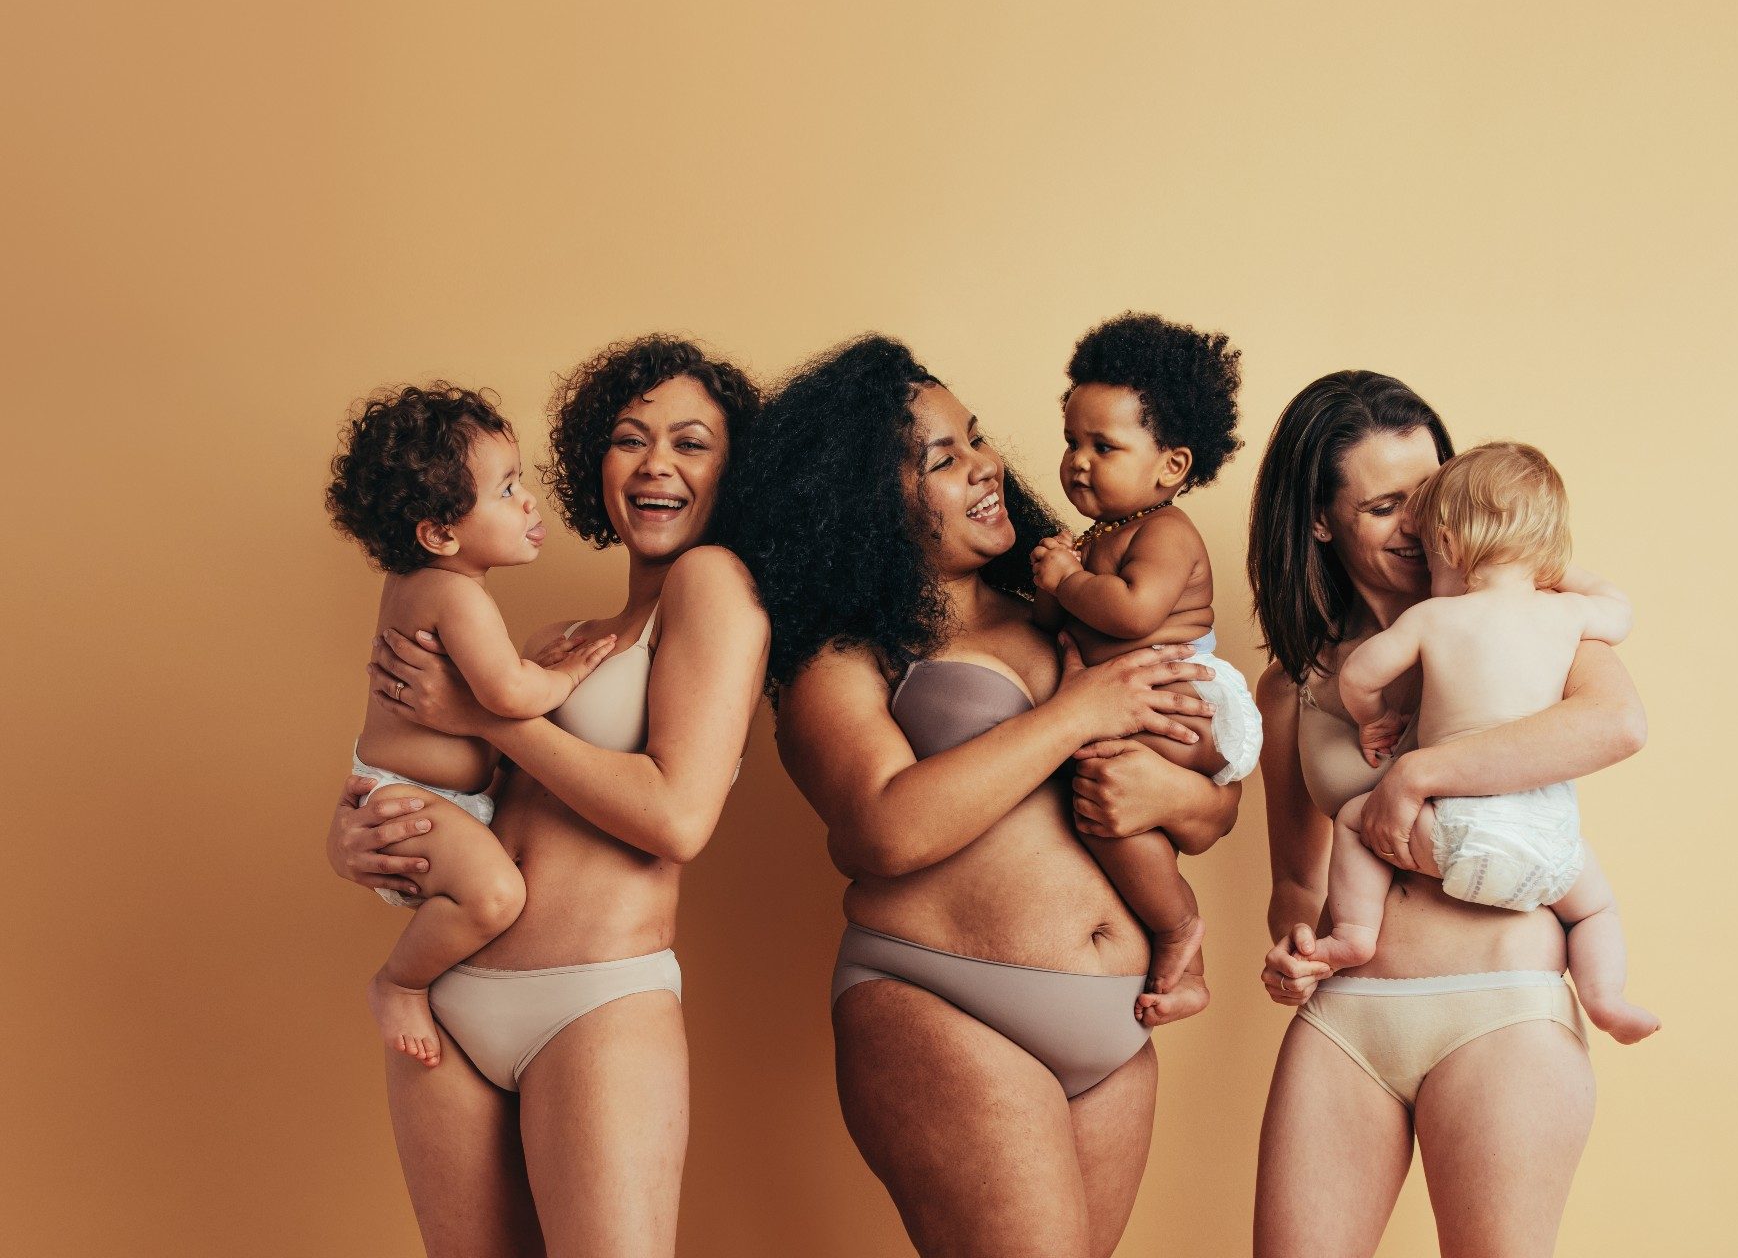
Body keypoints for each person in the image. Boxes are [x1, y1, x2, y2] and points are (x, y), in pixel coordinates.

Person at [729, 335, 1240, 1258]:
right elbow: (880, 829)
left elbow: (1208, 814)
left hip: (1114, 1032)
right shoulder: (840, 656)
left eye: (975, 437)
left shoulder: (1073, 605)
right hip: (940, 1002)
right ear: (865, 497)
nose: (987, 463)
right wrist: (1079, 712)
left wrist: (1173, 792)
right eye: (943, 456)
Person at [326, 336, 768, 1256]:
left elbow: (676, 819)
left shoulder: (714, 586)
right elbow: (450, 784)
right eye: (629, 438)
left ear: (740, 471)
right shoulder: (558, 636)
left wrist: (492, 721)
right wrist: (352, 837)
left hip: (593, 1004)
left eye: (691, 443)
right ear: (592, 462)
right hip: (452, 1000)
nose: (655, 464)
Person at [1247, 371, 1647, 1258]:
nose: (1418, 527)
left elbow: (1616, 724)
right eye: (1385, 506)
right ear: (1320, 521)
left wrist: (1413, 773)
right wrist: (1291, 947)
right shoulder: (1296, 684)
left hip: (1498, 1006)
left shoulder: (1535, 624)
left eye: (1428, 498)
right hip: (1348, 1022)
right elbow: (1295, 879)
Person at [1314, 441, 1659, 1043]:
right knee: (1597, 910)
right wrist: (1552, 568)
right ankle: (1606, 998)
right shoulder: (1568, 616)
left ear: (1444, 543)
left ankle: (1354, 934)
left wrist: (1376, 721)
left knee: (1351, 822)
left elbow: (1358, 676)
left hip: (1452, 833)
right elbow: (1620, 610)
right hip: (1546, 842)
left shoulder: (1433, 619)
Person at [325, 382, 614, 1069]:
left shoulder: (419, 585)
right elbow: (509, 694)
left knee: (489, 894)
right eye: (507, 489)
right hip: (413, 799)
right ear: (440, 532)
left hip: (417, 794)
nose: (528, 502)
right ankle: (399, 983)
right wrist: (569, 677)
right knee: (494, 895)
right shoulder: (456, 596)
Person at [1029, 312, 1263, 1024]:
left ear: (1172, 466)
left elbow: (1132, 614)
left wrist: (1066, 582)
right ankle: (1179, 940)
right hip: (1145, 699)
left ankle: (1177, 928)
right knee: (1109, 805)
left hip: (1190, 699)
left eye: (1105, 445)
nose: (1078, 460)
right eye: (1072, 440)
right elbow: (1064, 635)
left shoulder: (1165, 531)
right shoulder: (1102, 535)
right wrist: (1051, 592)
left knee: (1102, 779)